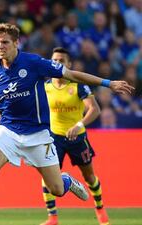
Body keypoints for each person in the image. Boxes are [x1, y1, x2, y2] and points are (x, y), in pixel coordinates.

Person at [0, 23, 133, 225]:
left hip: (38, 134)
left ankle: (67, 181)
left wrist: (108, 83)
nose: (0, 46)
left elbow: (72, 75)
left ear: (16, 43)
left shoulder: (33, 62)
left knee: (57, 190)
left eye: (5, 42)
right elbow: (2, 109)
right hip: (9, 130)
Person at [41, 47, 109, 225]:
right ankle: (52, 217)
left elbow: (95, 109)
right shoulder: (46, 86)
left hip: (77, 138)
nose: (57, 63)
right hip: (55, 138)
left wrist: (78, 125)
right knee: (48, 176)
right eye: (55, 60)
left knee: (89, 177)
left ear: (68, 64)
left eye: (62, 60)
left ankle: (100, 209)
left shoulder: (78, 85)